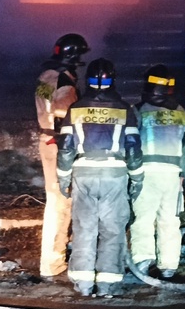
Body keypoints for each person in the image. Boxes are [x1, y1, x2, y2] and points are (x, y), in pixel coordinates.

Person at [56, 58, 143, 296]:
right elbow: (134, 148)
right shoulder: (125, 109)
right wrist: (137, 179)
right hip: (115, 174)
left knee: (84, 228)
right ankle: (107, 284)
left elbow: (65, 148)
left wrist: (63, 178)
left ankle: (83, 285)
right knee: (113, 229)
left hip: (83, 173)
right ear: (114, 80)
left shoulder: (75, 109)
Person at [34, 32, 88, 279]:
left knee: (57, 199)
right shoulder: (64, 80)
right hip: (60, 142)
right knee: (61, 201)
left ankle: (54, 260)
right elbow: (68, 114)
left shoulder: (46, 76)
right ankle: (53, 264)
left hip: (47, 139)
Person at [129, 63, 185, 279]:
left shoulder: (139, 110)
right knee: (170, 220)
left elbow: (131, 142)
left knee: (143, 218)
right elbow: (184, 139)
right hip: (173, 174)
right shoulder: (180, 111)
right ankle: (169, 266)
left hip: (146, 172)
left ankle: (143, 262)